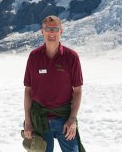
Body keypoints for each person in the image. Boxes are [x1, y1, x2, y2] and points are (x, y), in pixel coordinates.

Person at [23, 15, 84, 152]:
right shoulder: (34, 56)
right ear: (42, 31)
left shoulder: (71, 57)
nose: (51, 32)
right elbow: (28, 90)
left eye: (55, 29)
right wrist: (28, 122)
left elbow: (78, 90)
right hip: (40, 120)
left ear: (61, 32)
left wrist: (72, 119)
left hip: (65, 119)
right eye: (48, 29)